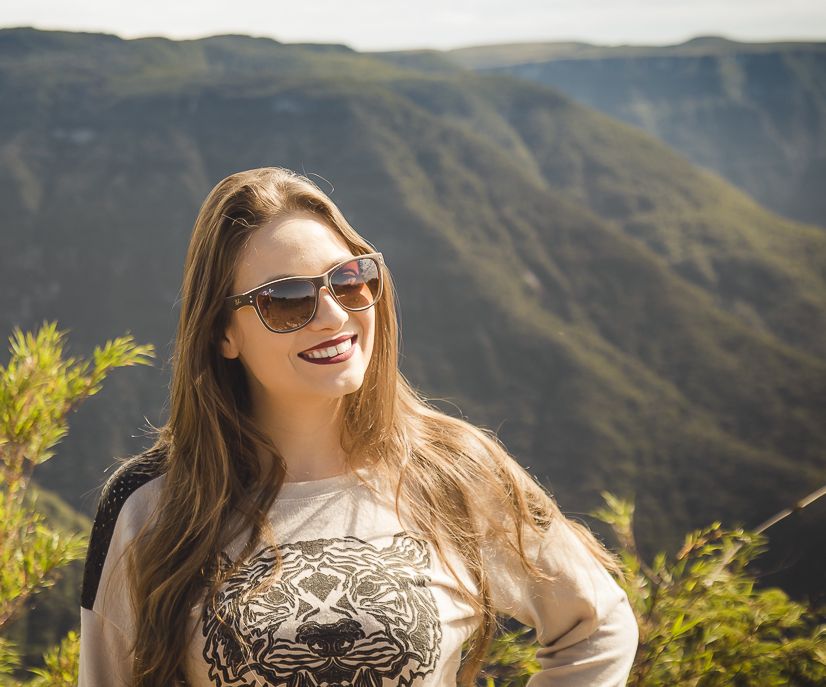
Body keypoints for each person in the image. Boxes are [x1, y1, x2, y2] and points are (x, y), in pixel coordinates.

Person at [78, 168, 638, 687]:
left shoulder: (452, 471)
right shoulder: (149, 505)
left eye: (348, 281)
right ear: (223, 333)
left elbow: (599, 624)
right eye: (286, 299)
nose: (334, 315)